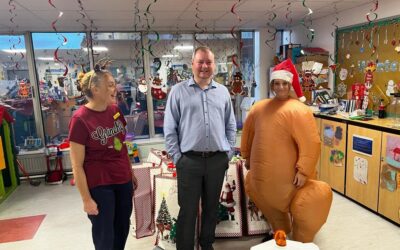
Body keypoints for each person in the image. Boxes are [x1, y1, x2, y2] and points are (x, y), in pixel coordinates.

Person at [241, 59, 332, 243]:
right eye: (277, 83)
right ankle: (280, 230)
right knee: (260, 193)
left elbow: (310, 142)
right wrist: (247, 156)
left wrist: (304, 170)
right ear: (272, 84)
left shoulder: (299, 110)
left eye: (284, 83)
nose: (280, 87)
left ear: (290, 84)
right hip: (264, 180)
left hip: (292, 181)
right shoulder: (259, 108)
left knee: (310, 199)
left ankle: (301, 239)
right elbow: (248, 134)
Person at [164, 46, 237, 250]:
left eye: (208, 62)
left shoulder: (222, 92)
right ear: (192, 64)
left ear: (214, 65)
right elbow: (170, 128)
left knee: (211, 207)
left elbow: (230, 124)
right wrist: (178, 157)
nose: (204, 66)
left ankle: (207, 244)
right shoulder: (178, 92)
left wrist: (228, 153)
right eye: (200, 62)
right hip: (189, 161)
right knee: (187, 210)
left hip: (216, 160)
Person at [69, 60, 138, 250]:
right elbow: (76, 165)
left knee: (122, 228)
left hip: (122, 180)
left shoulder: (115, 111)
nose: (114, 89)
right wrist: (86, 199)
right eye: (110, 85)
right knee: (105, 235)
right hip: (100, 184)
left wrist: (130, 173)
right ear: (95, 89)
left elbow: (120, 145)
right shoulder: (80, 119)